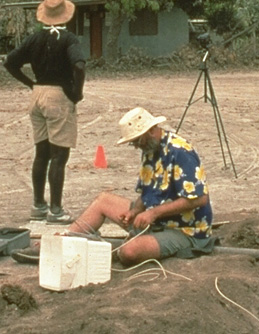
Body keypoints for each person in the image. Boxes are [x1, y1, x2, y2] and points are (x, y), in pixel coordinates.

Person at [66, 107, 215, 266]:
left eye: (137, 141)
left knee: (129, 252)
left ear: (151, 131)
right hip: (156, 221)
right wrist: (135, 211)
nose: (136, 146)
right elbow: (148, 192)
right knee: (103, 201)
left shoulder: (181, 152)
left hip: (185, 230)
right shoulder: (151, 149)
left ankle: (100, 252)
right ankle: (64, 241)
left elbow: (199, 199)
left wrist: (153, 213)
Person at [4, 0, 86, 224]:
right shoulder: (69, 39)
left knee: (42, 153)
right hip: (58, 95)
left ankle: (38, 204)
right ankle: (56, 210)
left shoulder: (35, 38)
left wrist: (30, 83)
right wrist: (76, 93)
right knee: (60, 156)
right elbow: (79, 66)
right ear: (66, 16)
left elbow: (9, 62)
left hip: (38, 94)